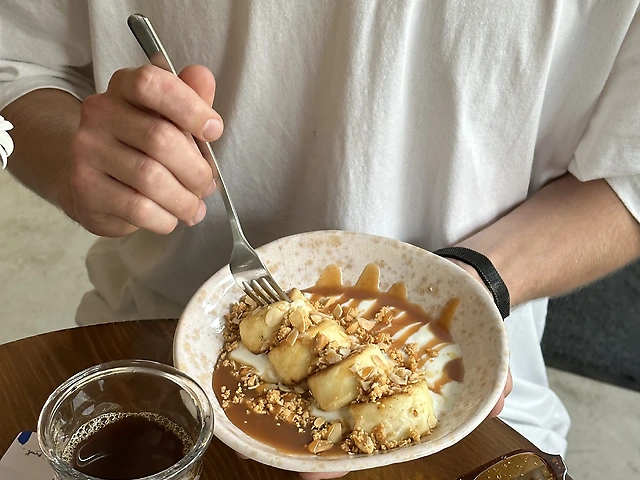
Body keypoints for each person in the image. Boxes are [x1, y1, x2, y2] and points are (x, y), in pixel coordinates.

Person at [2, 1, 639, 478]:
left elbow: (628, 178)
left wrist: (471, 278)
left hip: (472, 394)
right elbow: (17, 62)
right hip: (144, 363)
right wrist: (74, 160)